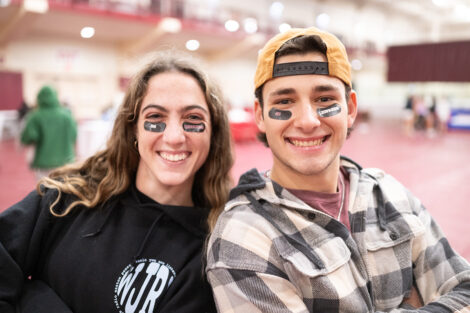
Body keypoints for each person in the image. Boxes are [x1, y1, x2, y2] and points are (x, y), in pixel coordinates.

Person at [206, 27, 470, 312]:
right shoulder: (243, 238)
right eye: (284, 101)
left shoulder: (390, 194)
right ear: (259, 115)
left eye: (324, 100)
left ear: (351, 108)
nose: (307, 121)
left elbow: (465, 291)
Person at [0, 51, 233, 313]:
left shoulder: (210, 254)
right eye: (155, 117)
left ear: (213, 135)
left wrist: (33, 298)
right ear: (133, 129)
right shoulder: (68, 198)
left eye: (193, 119)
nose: (175, 136)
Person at [20, 85, 78, 180]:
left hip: (43, 163)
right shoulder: (67, 116)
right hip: (66, 162)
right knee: (64, 190)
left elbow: (28, 137)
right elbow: (74, 135)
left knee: (44, 190)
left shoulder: (35, 116)